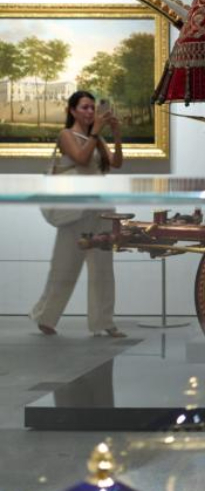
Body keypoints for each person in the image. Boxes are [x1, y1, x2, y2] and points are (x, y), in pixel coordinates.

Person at [30, 91, 125, 338]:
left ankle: (104, 321)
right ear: (72, 111)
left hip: (101, 207)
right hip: (75, 208)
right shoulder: (66, 135)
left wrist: (114, 134)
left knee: (103, 267)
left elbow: (116, 163)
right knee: (64, 265)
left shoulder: (97, 137)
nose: (90, 112)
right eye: (84, 108)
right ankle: (46, 316)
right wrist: (96, 132)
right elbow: (82, 159)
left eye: (93, 108)